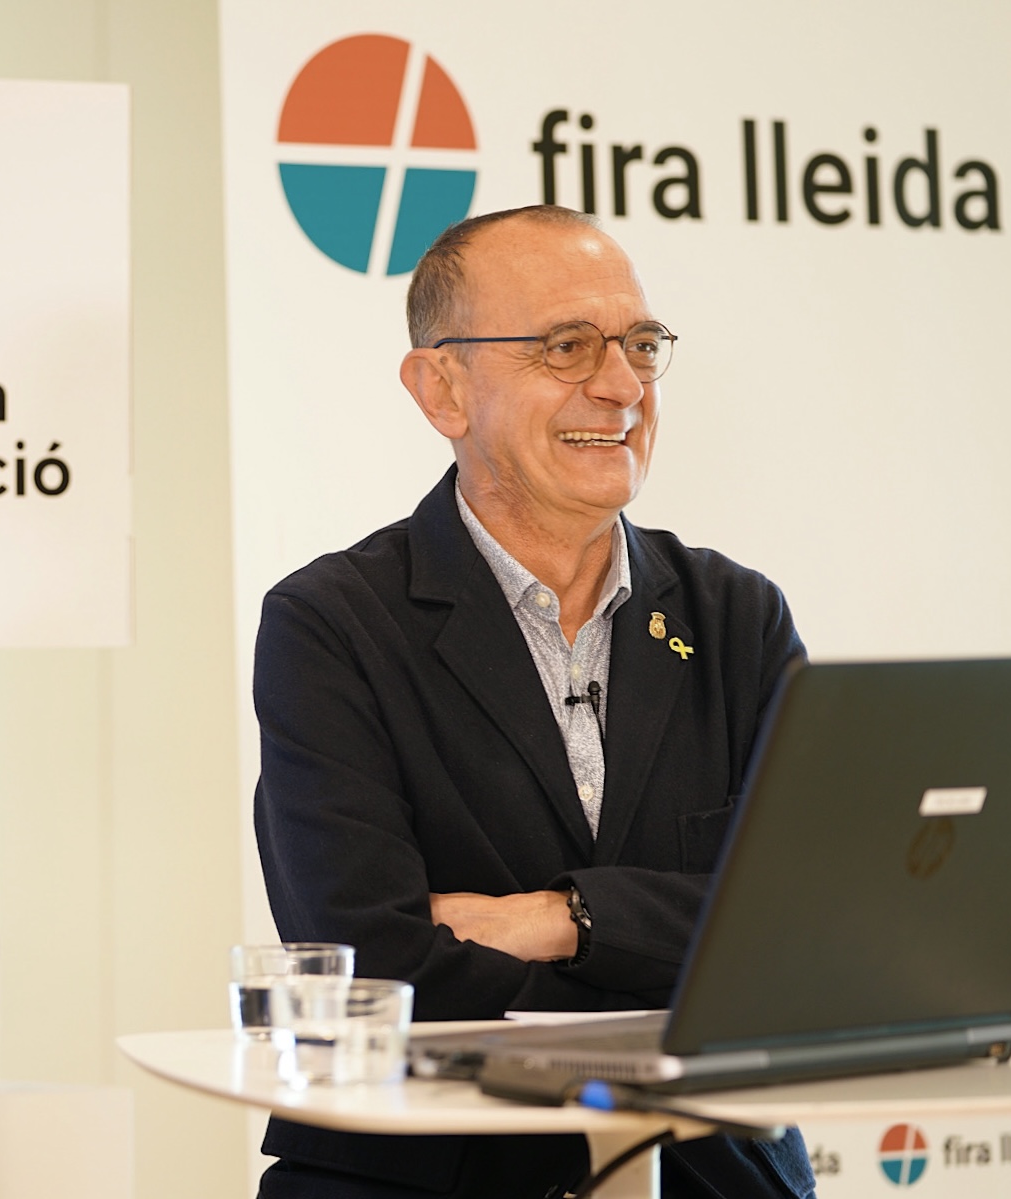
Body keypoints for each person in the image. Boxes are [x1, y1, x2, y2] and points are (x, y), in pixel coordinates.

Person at [252, 206, 816, 1199]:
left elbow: (809, 934)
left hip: (707, 1168)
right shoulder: (331, 623)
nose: (622, 384)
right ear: (441, 389)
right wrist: (674, 964)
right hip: (431, 1177)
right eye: (567, 346)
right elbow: (374, 966)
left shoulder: (736, 616)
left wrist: (566, 918)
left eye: (640, 344)